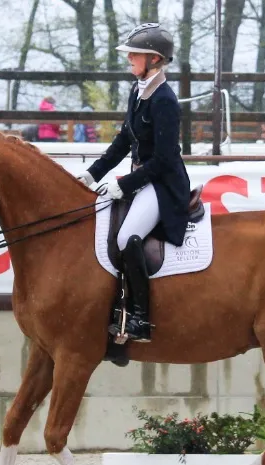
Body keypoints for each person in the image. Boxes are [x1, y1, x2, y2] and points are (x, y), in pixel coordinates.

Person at [74, 22, 191, 344]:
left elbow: (164, 159)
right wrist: (92, 174)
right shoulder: (138, 91)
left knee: (127, 237)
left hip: (163, 184)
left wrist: (124, 185)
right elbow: (124, 140)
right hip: (142, 179)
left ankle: (140, 317)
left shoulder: (164, 100)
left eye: (134, 55)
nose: (129, 59)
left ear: (154, 59)